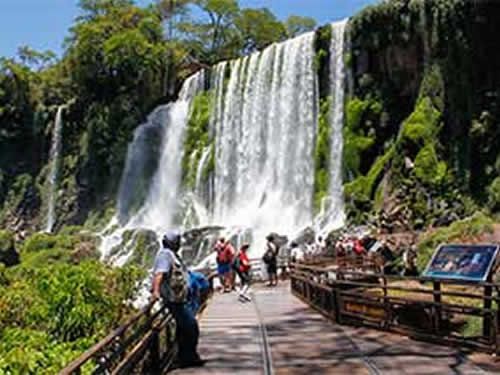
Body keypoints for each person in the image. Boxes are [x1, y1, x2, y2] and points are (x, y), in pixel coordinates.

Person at [151, 231, 204, 369]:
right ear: (172, 243)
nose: (180, 243)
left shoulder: (172, 255)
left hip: (180, 299)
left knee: (183, 329)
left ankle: (184, 357)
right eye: (177, 241)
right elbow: (159, 274)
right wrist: (155, 291)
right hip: (175, 301)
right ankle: (189, 357)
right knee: (191, 327)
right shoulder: (165, 255)